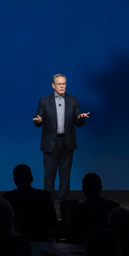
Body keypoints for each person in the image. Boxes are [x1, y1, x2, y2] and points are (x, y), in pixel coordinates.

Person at [33, 73, 89, 201]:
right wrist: (38, 120)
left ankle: (64, 200)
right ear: (53, 85)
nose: (62, 86)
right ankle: (48, 200)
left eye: (64, 84)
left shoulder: (73, 100)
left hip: (67, 142)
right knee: (49, 176)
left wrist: (80, 118)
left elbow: (78, 122)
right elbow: (38, 120)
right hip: (50, 143)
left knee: (65, 175)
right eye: (59, 84)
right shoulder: (44, 101)